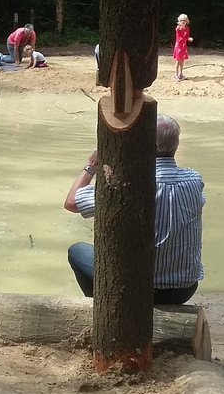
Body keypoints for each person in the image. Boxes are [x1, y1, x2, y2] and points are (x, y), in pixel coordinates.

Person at [63, 114, 205, 305]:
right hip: (184, 289)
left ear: (142, 143)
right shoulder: (195, 180)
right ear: (176, 145)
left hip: (136, 289)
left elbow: (71, 203)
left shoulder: (127, 185)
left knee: (77, 250)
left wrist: (91, 167)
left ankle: (102, 307)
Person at [173, 14, 192, 81]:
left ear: (187, 21)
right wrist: (180, 25)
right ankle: (176, 74)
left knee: (182, 60)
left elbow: (186, 36)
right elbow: (179, 30)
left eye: (184, 20)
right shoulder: (178, 28)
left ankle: (181, 74)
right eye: (181, 20)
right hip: (178, 46)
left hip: (183, 46)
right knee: (178, 60)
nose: (183, 21)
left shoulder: (187, 28)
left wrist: (188, 38)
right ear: (179, 21)